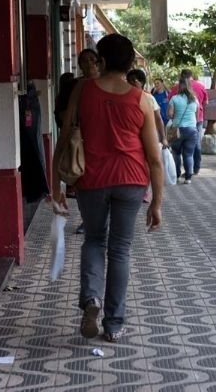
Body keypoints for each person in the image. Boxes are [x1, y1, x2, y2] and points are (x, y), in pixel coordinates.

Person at [51, 33, 164, 343]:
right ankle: (114, 325)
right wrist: (156, 203)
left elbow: (64, 138)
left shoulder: (83, 89)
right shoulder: (141, 99)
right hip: (131, 180)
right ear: (130, 64)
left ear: (100, 60)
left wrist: (56, 185)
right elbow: (154, 159)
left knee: (94, 240)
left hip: (92, 180)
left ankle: (91, 300)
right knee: (120, 250)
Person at [126, 68, 167, 203]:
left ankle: (145, 190)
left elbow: (158, 118)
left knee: (149, 163)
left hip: (149, 135)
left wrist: (163, 137)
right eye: (129, 81)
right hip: (132, 136)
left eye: (134, 81)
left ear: (142, 82)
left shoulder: (148, 97)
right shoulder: (123, 96)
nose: (131, 84)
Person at [70, 48, 100, 234]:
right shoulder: (74, 86)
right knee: (81, 180)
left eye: (92, 59)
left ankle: (102, 218)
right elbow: (62, 112)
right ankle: (86, 219)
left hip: (102, 139)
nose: (89, 63)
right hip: (80, 140)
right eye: (84, 60)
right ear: (79, 64)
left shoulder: (106, 84)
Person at [169, 69, 208, 175]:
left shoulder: (175, 89)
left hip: (178, 124)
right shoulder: (201, 87)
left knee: (177, 150)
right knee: (195, 146)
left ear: (181, 76)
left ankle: (178, 172)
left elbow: (170, 108)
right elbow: (205, 102)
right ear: (192, 76)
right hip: (196, 120)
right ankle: (195, 169)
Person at [167, 77, 198, 184]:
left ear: (179, 87)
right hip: (192, 130)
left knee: (176, 153)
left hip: (178, 130)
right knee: (189, 154)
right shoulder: (194, 99)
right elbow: (196, 115)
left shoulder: (174, 98)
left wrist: (175, 116)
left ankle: (177, 175)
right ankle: (188, 178)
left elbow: (170, 114)